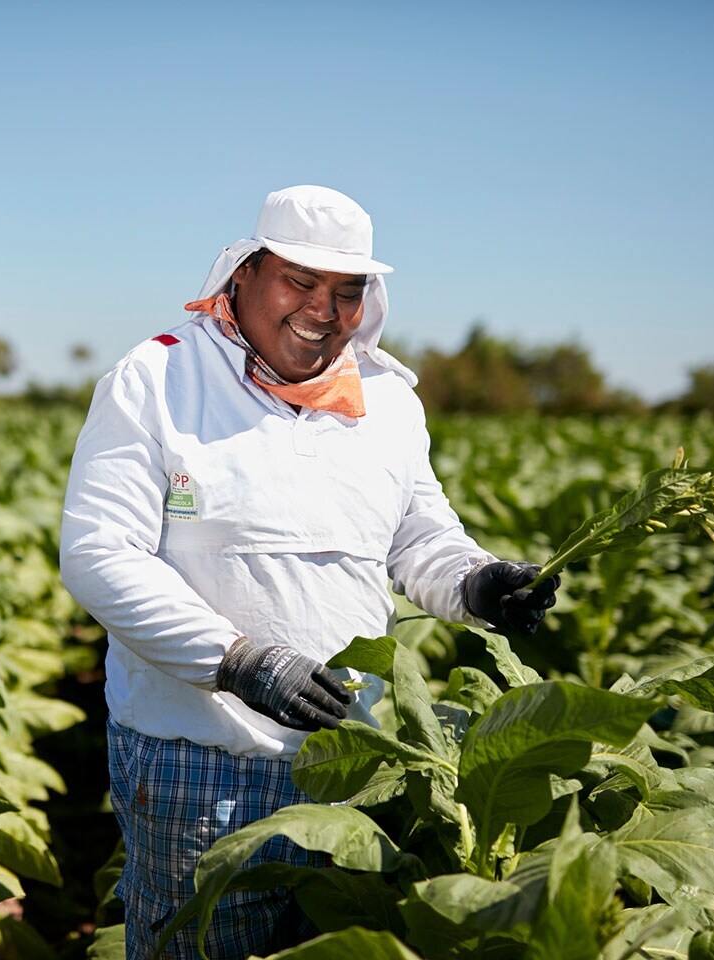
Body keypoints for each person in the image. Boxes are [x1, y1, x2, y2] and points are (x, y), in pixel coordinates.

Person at [58, 185, 559, 959]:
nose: (322, 310)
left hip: (352, 764)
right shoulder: (157, 379)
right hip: (201, 759)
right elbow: (99, 553)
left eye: (346, 291)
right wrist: (237, 661)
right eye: (300, 282)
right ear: (248, 274)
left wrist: (477, 583)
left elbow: (416, 535)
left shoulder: (387, 401)